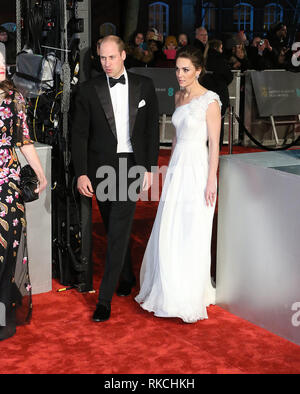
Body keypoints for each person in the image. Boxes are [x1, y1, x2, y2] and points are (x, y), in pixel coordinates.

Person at [71, 35, 159, 323]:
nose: (106, 63)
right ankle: (126, 274)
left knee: (119, 227)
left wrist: (149, 167)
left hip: (132, 165)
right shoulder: (88, 90)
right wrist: (82, 172)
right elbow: (80, 134)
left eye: (111, 57)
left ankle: (104, 300)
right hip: (101, 167)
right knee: (112, 226)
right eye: (102, 58)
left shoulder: (144, 85)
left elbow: (150, 131)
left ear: (123, 55)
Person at [135, 46, 221, 323]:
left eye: (186, 70)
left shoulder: (210, 101)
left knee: (192, 226)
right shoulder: (179, 97)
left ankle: (190, 291)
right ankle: (167, 287)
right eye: (177, 69)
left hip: (197, 169)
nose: (180, 75)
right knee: (170, 225)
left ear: (199, 71)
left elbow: (215, 146)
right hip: (177, 169)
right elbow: (174, 139)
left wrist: (211, 180)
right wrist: (168, 170)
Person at [0, 67, 47, 340]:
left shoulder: (13, 98)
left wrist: (40, 173)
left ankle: (3, 312)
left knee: (8, 247)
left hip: (7, 181)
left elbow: (24, 139)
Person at [202, 39, 233, 149]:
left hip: (205, 94)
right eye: (221, 47)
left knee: (205, 122)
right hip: (220, 93)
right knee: (218, 123)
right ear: (217, 48)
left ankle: (205, 146)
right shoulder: (220, 59)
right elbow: (229, 76)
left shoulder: (203, 59)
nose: (222, 50)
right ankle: (215, 147)